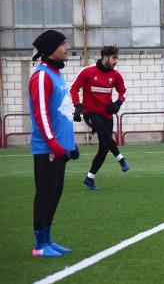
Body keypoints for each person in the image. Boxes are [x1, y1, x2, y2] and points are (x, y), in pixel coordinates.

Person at [29, 30, 79, 257]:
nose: (68, 47)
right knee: (46, 193)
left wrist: (71, 144)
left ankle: (47, 239)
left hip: (60, 147)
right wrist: (53, 144)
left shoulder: (56, 74)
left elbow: (63, 113)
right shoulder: (41, 76)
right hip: (48, 148)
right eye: (63, 43)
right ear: (50, 49)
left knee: (55, 192)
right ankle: (39, 245)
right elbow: (41, 114)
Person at [71, 45, 130, 190]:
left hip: (107, 115)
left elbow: (124, 90)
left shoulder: (115, 75)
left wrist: (118, 103)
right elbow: (74, 88)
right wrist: (78, 107)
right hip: (90, 113)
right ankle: (120, 158)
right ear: (105, 57)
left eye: (117, 57)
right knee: (104, 132)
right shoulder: (88, 72)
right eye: (114, 58)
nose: (116, 61)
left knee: (104, 149)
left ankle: (89, 178)